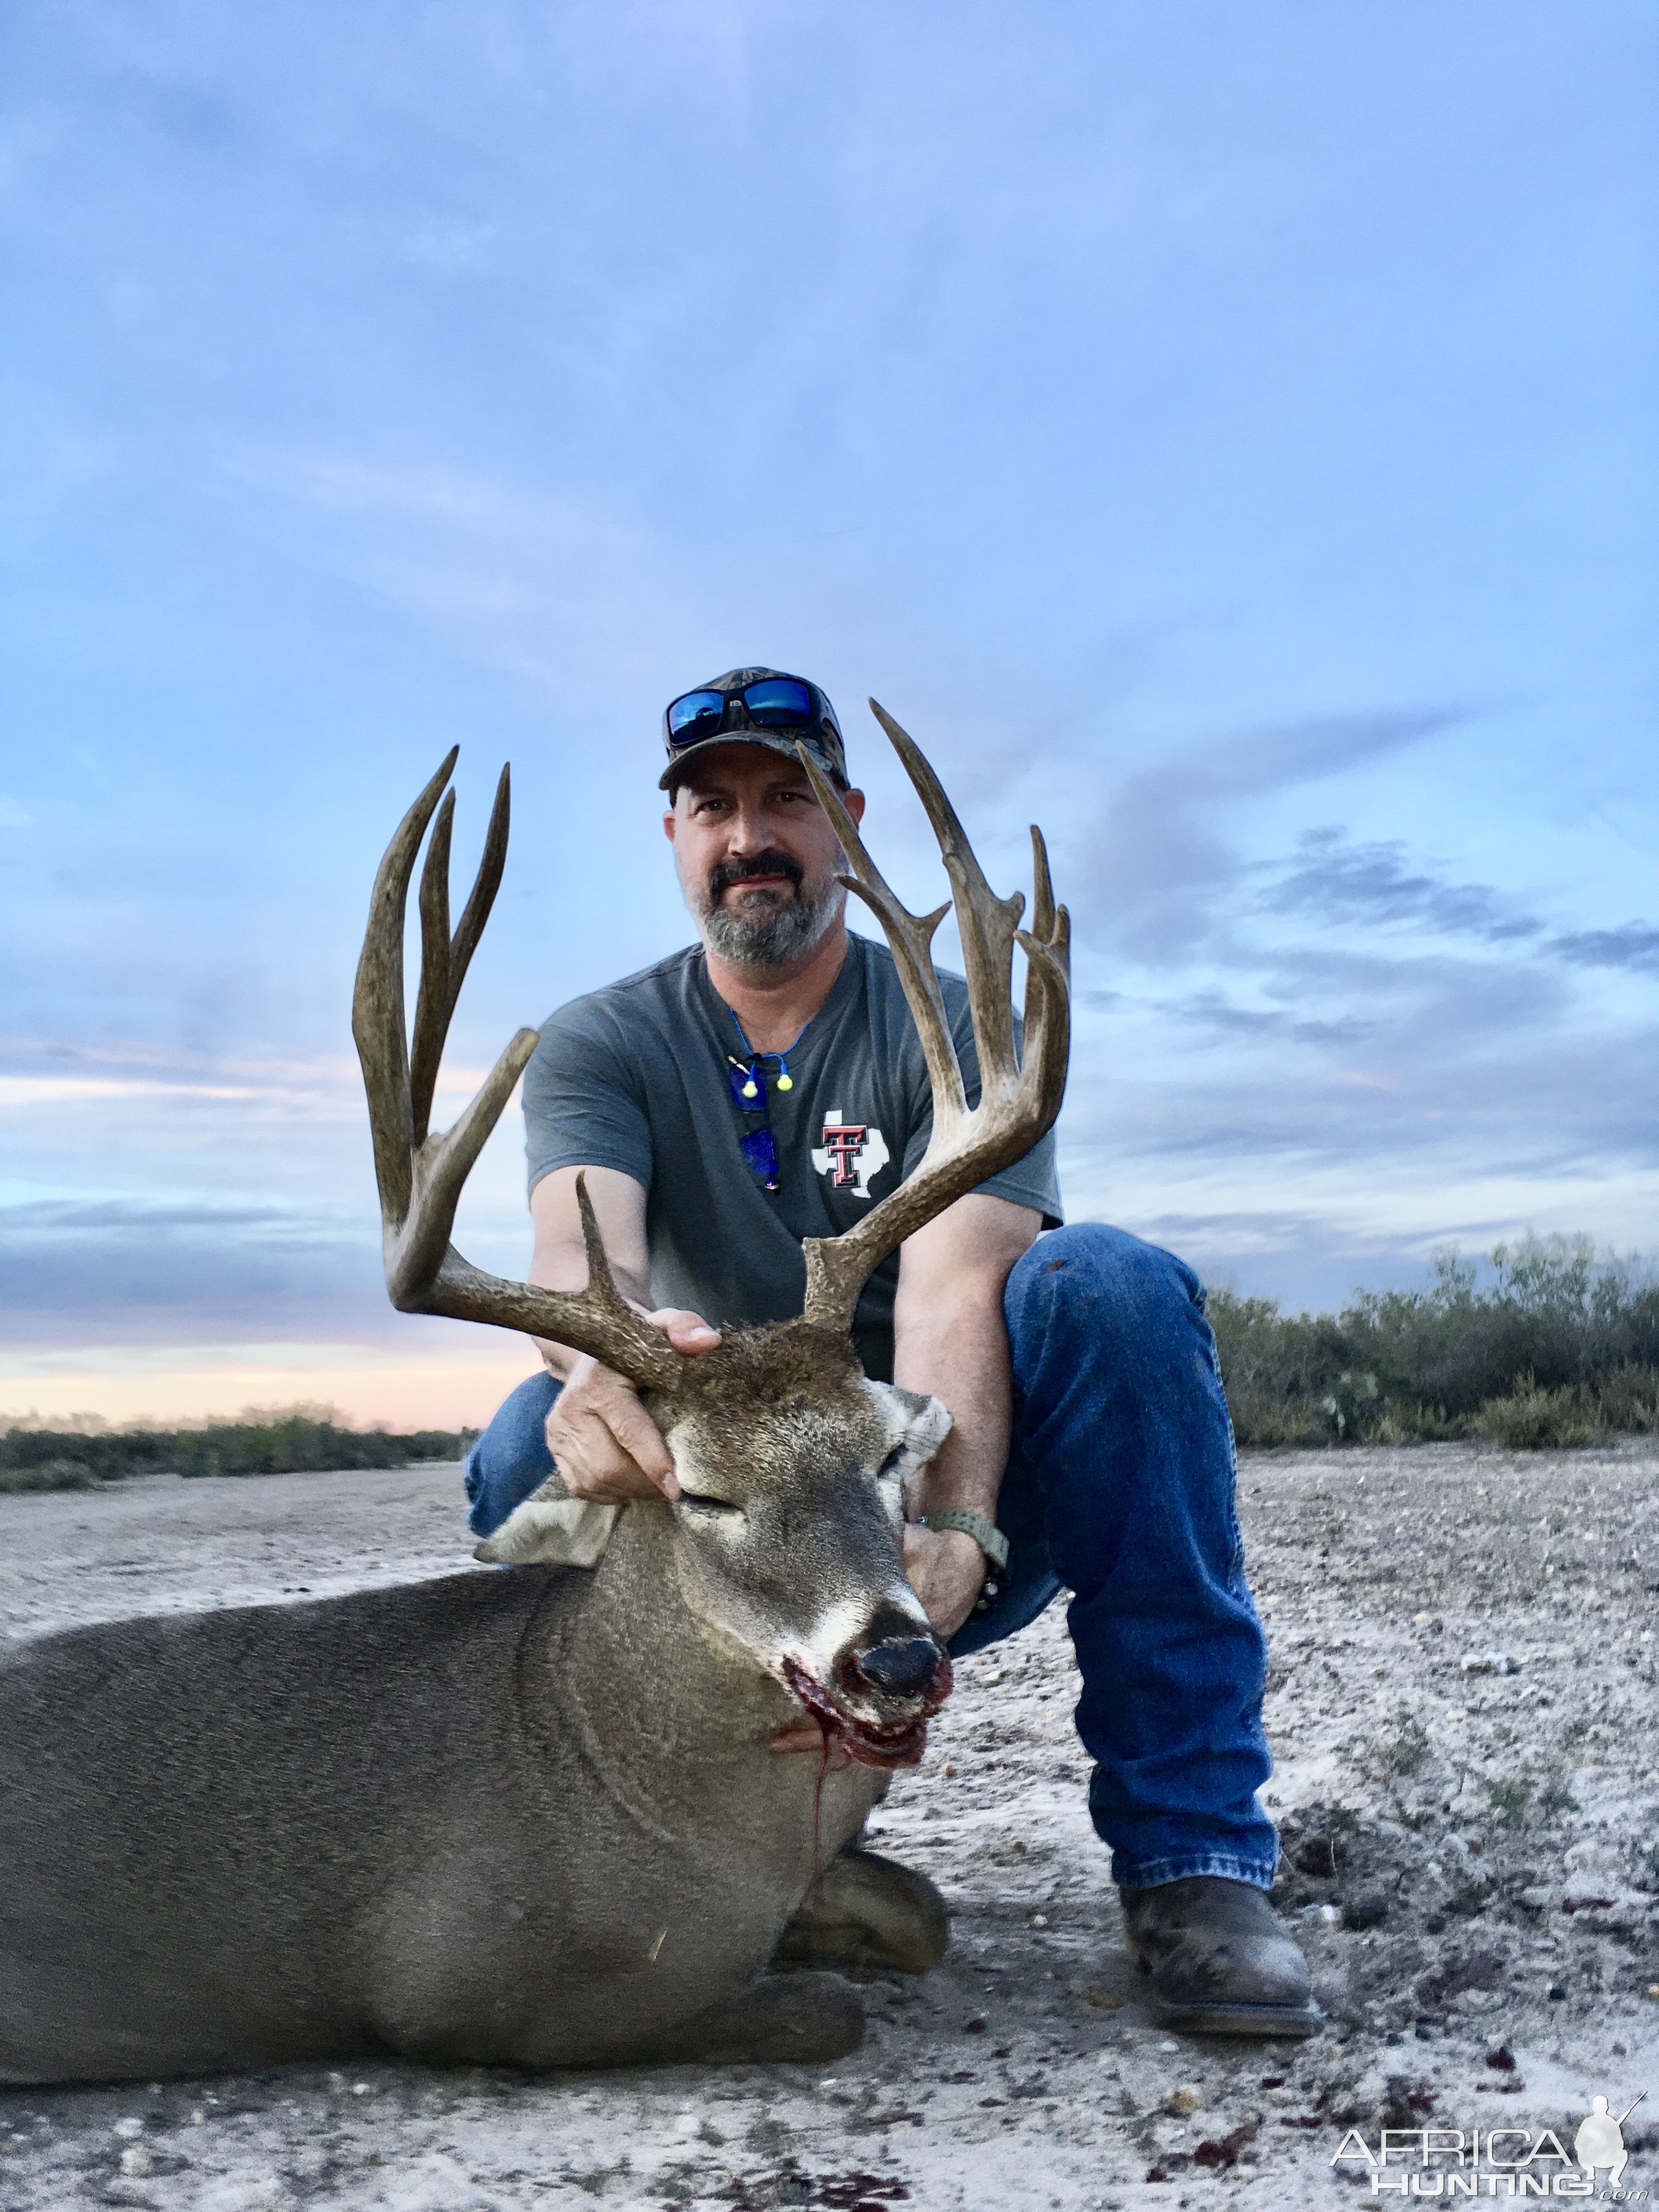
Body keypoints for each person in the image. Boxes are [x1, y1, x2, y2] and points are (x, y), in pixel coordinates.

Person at [464, 666, 1317, 2038]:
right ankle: (752, 1867)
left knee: (1111, 1288)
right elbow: (586, 1261)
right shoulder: (602, 1043)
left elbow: (952, 1283)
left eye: (788, 798)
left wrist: (959, 1521)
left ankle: (1195, 1865)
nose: (752, 835)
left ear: (850, 821)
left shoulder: (955, 1015)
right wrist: (604, 1363)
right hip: (747, 1514)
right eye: (715, 804)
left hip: (932, 1481)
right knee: (523, 1450)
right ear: (675, 836)